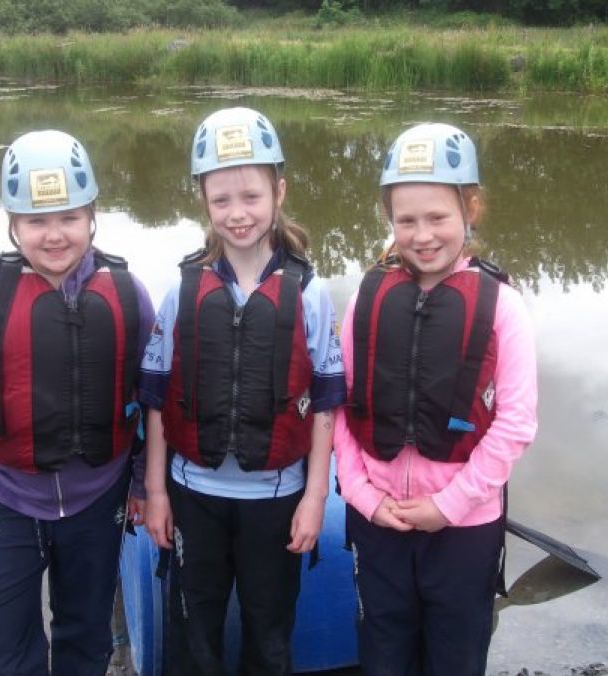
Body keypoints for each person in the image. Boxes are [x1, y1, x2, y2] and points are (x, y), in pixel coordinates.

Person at [0, 129, 154, 676]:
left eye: (69, 218)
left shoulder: (127, 293)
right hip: (6, 496)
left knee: (85, 633)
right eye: (36, 221)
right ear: (12, 224)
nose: (54, 236)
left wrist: (144, 482)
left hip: (100, 498)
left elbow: (153, 399)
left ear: (92, 215)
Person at [140, 106, 346, 675]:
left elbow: (327, 405)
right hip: (193, 493)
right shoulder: (182, 289)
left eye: (251, 197)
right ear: (203, 201)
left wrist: (314, 498)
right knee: (196, 627)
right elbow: (157, 401)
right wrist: (156, 492)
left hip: (276, 498)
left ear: (279, 192)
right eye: (222, 200)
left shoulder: (309, 292)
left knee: (270, 628)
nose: (238, 214)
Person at [333, 122, 538, 675]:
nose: (423, 235)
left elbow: (516, 423)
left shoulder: (504, 307)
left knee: (456, 656)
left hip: (464, 527)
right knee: (383, 649)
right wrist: (361, 494)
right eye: (407, 220)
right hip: (379, 519)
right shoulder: (366, 298)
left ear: (471, 208)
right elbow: (338, 407)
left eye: (438, 217)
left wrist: (447, 506)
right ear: (389, 220)